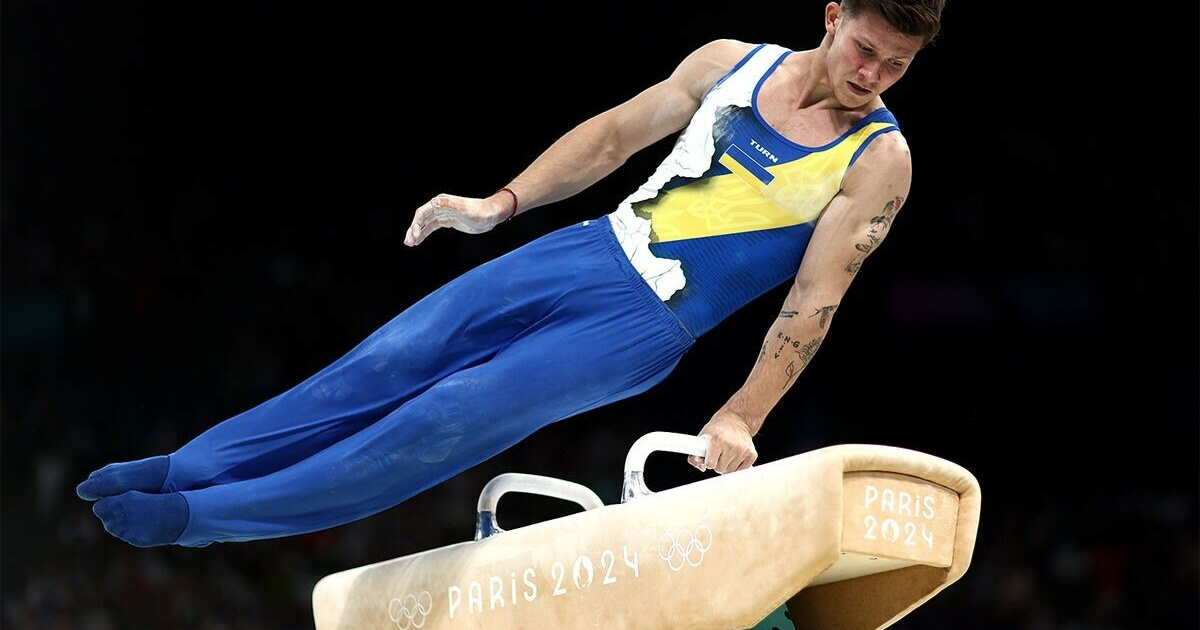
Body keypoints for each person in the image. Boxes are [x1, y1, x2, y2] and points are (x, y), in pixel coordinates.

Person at [77, 0, 944, 548]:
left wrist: (743, 414)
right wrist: (502, 204)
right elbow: (612, 137)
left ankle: (201, 519)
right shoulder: (731, 62)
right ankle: (189, 467)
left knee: (441, 419)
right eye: (865, 49)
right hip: (585, 248)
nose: (871, 76)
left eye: (895, 66)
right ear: (832, 16)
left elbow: (815, 299)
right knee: (386, 360)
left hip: (643, 325)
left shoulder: (880, 160)